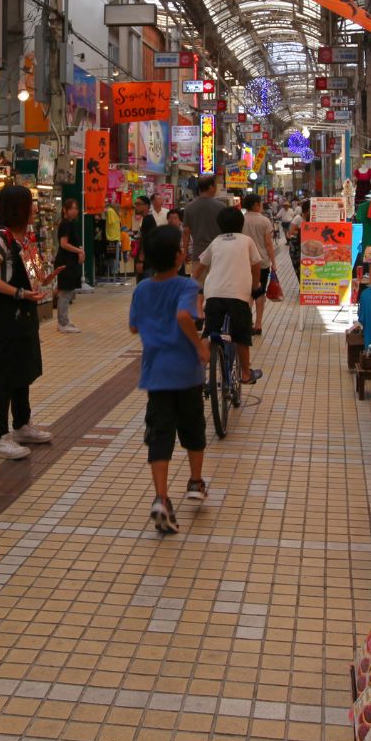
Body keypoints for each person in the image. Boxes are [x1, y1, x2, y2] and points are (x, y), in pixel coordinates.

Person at [129, 225, 208, 534]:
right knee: (193, 428)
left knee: (160, 435)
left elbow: (134, 327)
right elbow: (184, 316)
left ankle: (161, 498)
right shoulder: (187, 286)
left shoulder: (142, 289)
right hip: (186, 371)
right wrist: (199, 345)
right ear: (178, 257)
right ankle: (196, 482)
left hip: (156, 373)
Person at [0, 184, 51, 458]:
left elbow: (33, 274)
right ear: (17, 209)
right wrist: (18, 292)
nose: (33, 209)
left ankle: (22, 423)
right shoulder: (1, 238)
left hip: (24, 315)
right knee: (5, 376)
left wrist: (44, 280)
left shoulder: (23, 238)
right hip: (6, 316)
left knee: (23, 370)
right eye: (28, 204)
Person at [195, 206, 260, 386]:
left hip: (214, 294)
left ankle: (198, 374)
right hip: (239, 295)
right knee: (241, 336)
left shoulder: (216, 241)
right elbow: (256, 264)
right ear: (241, 223)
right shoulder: (247, 241)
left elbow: (200, 265)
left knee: (209, 332)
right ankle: (246, 374)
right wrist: (256, 284)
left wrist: (190, 282)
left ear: (219, 225)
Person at [242, 194, 276, 334]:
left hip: (244, 261)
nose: (261, 205)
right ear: (256, 204)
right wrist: (273, 262)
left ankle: (248, 321)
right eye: (260, 203)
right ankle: (258, 324)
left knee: (246, 292)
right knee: (260, 292)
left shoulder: (241, 219)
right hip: (261, 262)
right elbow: (268, 244)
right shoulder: (264, 221)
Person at [55, 199, 85, 333]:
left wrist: (80, 250)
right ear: (65, 210)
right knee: (65, 292)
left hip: (69, 261)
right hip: (65, 262)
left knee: (67, 291)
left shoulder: (70, 223)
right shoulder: (65, 224)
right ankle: (62, 322)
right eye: (71, 208)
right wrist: (79, 251)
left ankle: (65, 320)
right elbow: (64, 244)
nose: (75, 211)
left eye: (76, 208)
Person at [182, 174, 227, 261]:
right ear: (211, 187)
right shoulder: (222, 206)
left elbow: (186, 232)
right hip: (218, 252)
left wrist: (185, 252)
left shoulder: (189, 207)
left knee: (198, 274)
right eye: (215, 186)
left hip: (198, 252)